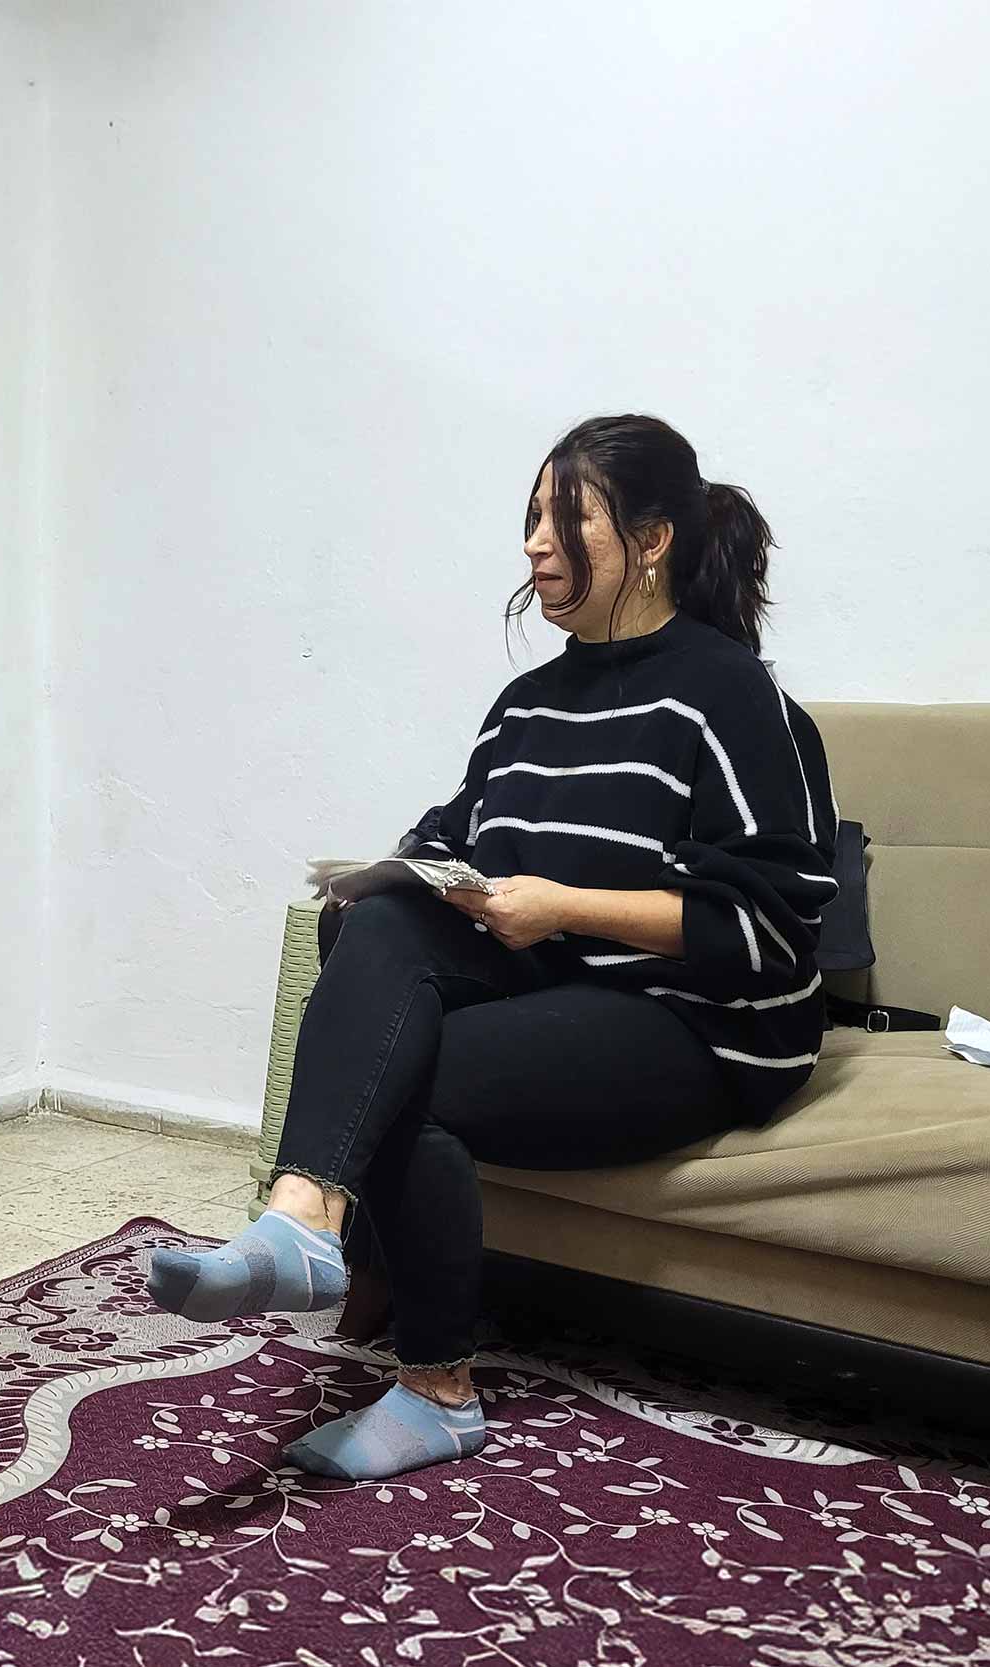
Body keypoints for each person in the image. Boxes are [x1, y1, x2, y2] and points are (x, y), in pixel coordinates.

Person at [146, 414, 835, 1482]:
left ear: (650, 539)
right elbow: (460, 831)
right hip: (553, 981)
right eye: (528, 516)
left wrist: (566, 904)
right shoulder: (524, 704)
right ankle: (301, 1216)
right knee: (376, 916)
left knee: (410, 1080)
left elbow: (776, 926)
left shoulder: (729, 696)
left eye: (566, 516)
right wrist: (411, 873)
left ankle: (436, 1389)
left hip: (699, 1017)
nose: (533, 542)